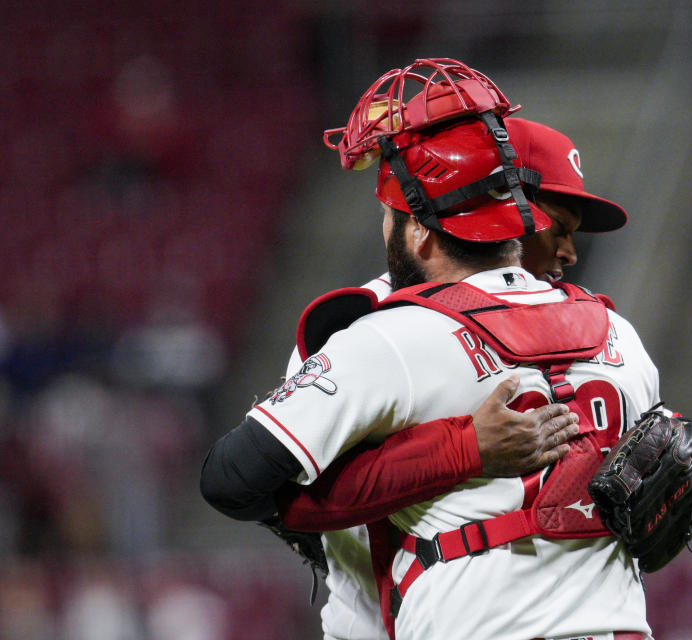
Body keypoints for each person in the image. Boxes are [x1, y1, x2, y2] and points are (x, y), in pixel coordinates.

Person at [203, 59, 656, 639]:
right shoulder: (618, 338)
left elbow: (242, 485)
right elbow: (277, 495)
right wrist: (466, 449)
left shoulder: (388, 338)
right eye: (554, 223)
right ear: (514, 214)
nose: (565, 251)